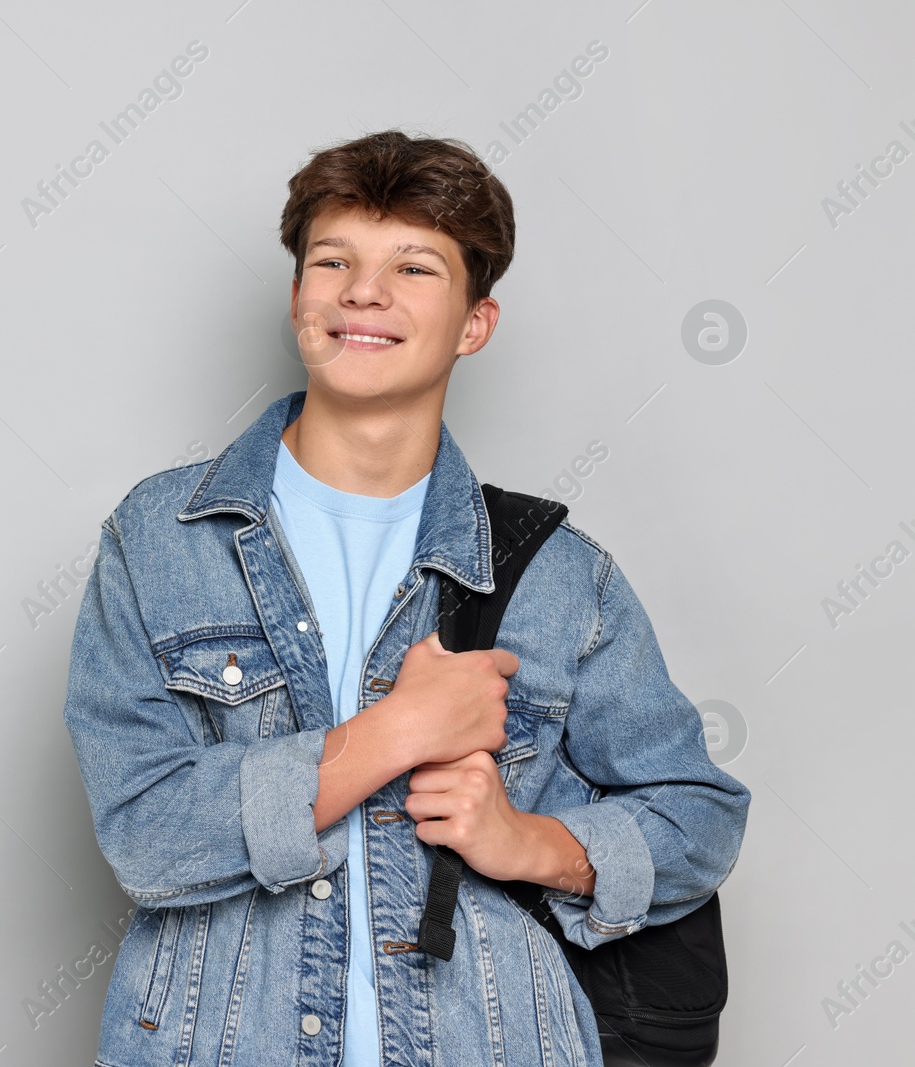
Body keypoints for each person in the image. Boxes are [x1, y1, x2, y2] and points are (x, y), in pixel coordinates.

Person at [59, 129, 751, 1066]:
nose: (363, 292)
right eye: (331, 260)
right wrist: (399, 732)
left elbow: (698, 815)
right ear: (299, 294)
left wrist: (533, 841)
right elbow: (146, 834)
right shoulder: (158, 538)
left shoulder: (554, 572)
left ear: (475, 322)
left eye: (414, 267)